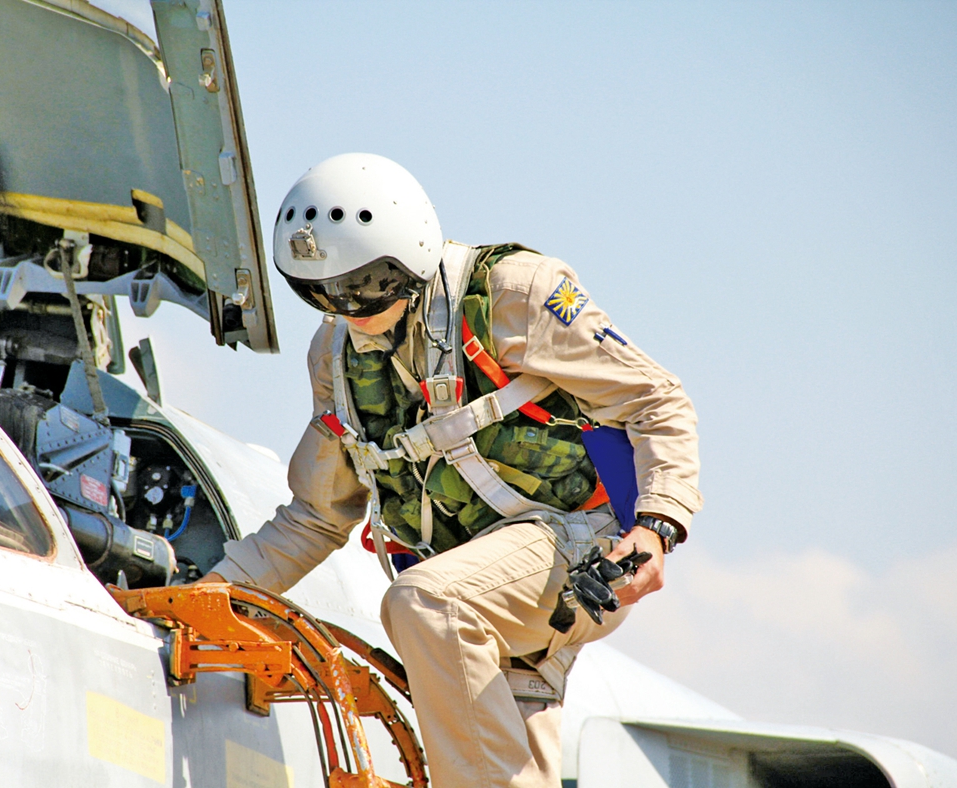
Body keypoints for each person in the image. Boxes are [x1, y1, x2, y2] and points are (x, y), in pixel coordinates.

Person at [201, 153, 702, 787]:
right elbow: (312, 516)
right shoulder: (335, 356)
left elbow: (654, 398)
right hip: (492, 600)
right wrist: (203, 599)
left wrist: (657, 527)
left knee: (425, 604)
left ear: (409, 258)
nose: (345, 308)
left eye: (362, 286)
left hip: (584, 557)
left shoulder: (516, 294)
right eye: (319, 293)